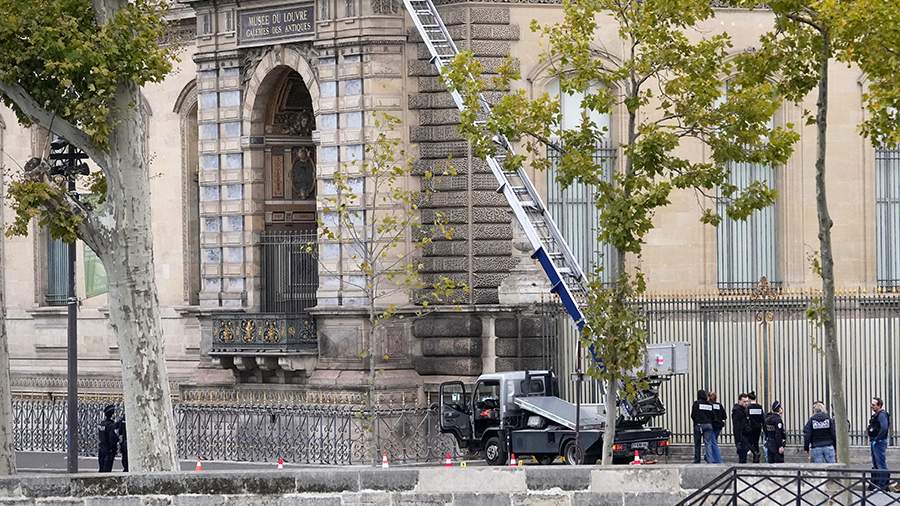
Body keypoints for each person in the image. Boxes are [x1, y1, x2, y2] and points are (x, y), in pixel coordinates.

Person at [868, 397, 890, 491]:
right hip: (876, 441)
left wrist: (877, 439)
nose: (871, 406)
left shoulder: (882, 415)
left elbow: (884, 428)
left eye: (873, 405)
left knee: (880, 464)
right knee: (876, 464)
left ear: (879, 405)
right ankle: (877, 484)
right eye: (871, 404)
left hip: (879, 442)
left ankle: (882, 486)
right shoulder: (876, 415)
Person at [691, 389, 715, 464]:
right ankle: (709, 460)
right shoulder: (709, 404)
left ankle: (697, 460)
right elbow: (713, 416)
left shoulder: (696, 403)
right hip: (708, 425)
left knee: (697, 443)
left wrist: (696, 421)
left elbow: (693, 415)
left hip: (699, 425)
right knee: (708, 443)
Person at [97, 404, 119, 473]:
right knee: (107, 471)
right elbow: (113, 438)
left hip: (101, 448)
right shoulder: (111, 425)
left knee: (101, 469)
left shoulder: (102, 424)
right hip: (108, 449)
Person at [732, 393, 751, 463]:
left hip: (745, 435)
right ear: (739, 401)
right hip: (741, 436)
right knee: (742, 457)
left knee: (744, 456)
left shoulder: (744, 410)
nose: (746, 403)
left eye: (747, 401)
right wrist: (738, 441)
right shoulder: (737, 411)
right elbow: (736, 427)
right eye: (744, 401)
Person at [747, 392, 765, 463]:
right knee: (756, 442)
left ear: (749, 399)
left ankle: (755, 453)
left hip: (751, 427)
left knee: (749, 442)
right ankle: (756, 458)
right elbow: (762, 418)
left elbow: (746, 417)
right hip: (758, 427)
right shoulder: (759, 407)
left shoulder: (748, 407)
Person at [708, 390, 725, 464]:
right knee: (713, 442)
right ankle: (708, 456)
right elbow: (724, 416)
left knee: (713, 443)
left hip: (711, 426)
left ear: (709, 397)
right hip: (718, 426)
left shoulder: (708, 405)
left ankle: (718, 460)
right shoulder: (719, 405)